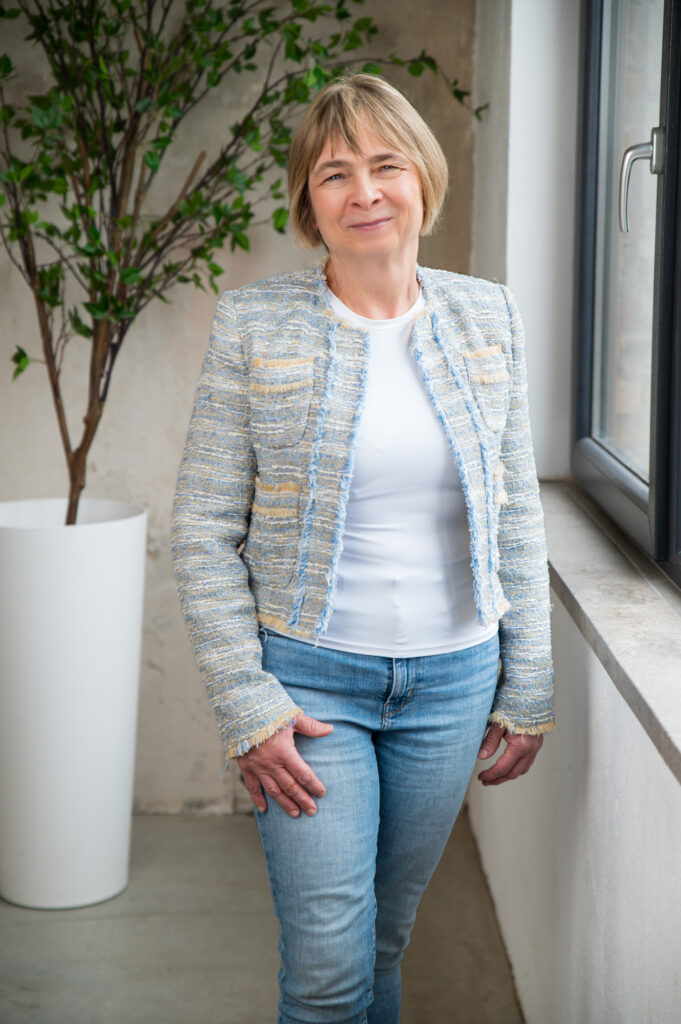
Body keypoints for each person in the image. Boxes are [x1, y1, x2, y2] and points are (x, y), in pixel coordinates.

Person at [171, 73, 554, 1024]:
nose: (365, 191)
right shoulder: (254, 325)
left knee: (383, 939)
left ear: (422, 178)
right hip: (307, 690)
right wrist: (248, 702)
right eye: (334, 173)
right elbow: (204, 528)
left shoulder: (488, 317)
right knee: (327, 971)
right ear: (309, 202)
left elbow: (514, 512)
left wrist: (528, 683)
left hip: (453, 683)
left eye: (386, 165)